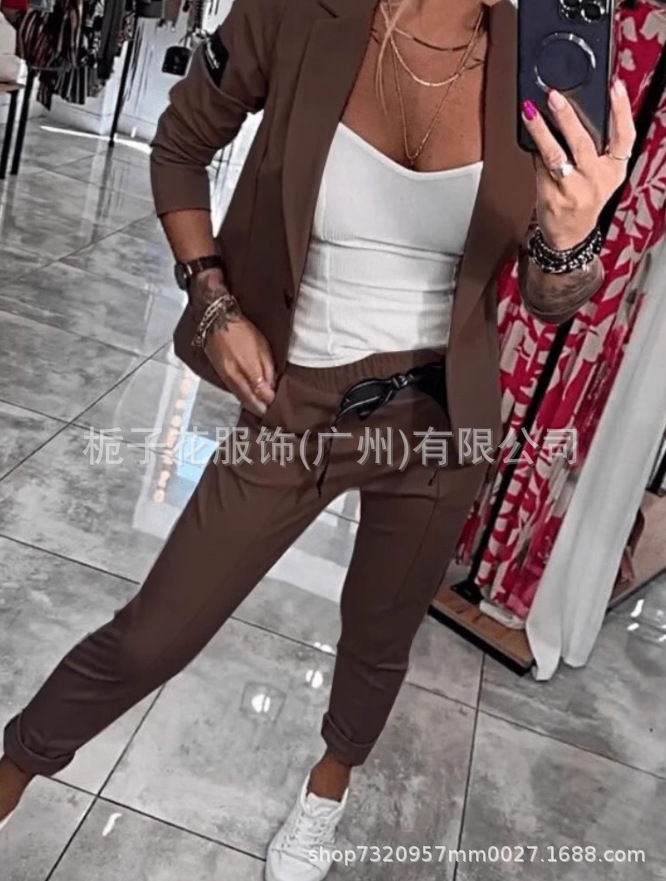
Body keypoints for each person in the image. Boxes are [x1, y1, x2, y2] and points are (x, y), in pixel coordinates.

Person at [0, 0, 635, 878]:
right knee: (157, 631)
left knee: (379, 637)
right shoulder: (303, 11)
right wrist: (213, 299)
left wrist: (568, 241)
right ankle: (16, 767)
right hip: (297, 401)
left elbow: (548, 298)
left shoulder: (543, 59)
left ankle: (325, 792)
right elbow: (180, 146)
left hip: (438, 423)